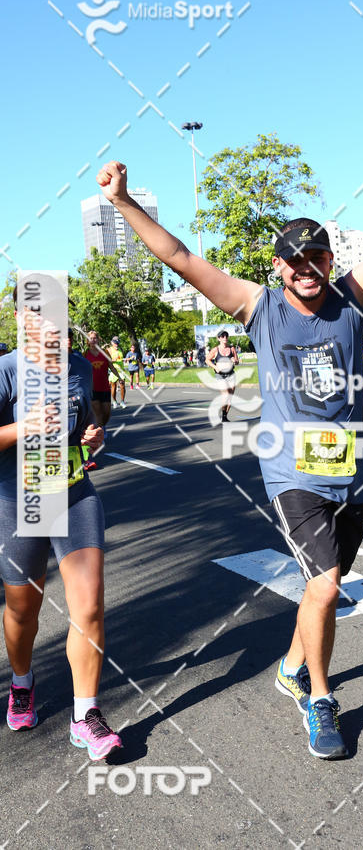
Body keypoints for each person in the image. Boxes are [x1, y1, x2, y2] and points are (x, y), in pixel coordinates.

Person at [96, 126, 363, 760]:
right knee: (328, 587)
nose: (307, 270)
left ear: (330, 261)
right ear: (279, 267)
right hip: (291, 474)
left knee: (319, 587)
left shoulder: (352, 302)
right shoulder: (259, 307)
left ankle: (290, 666)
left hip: (348, 475)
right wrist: (125, 203)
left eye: (317, 258)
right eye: (294, 261)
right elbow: (182, 259)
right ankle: (320, 701)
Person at [0, 283, 122, 758]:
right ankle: (23, 682)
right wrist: (22, 429)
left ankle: (85, 715)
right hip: (18, 500)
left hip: (72, 492)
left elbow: (87, 426)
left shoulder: (75, 366)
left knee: (88, 605)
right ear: (19, 318)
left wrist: (93, 436)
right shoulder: (7, 371)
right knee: (23, 611)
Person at [84, 330, 125, 469]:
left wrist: (119, 378)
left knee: (106, 413)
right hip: (92, 389)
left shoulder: (104, 353)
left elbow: (111, 366)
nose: (93, 340)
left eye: (95, 338)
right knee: (97, 412)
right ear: (88, 340)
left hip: (105, 388)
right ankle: (98, 434)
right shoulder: (85, 354)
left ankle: (102, 427)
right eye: (91, 338)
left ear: (98, 339)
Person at [207, 331, 239, 423]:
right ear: (219, 338)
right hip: (220, 375)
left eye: (226, 336)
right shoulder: (215, 350)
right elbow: (207, 360)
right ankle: (223, 414)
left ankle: (224, 416)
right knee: (225, 395)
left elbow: (237, 361)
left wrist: (235, 360)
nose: (225, 337)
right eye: (222, 336)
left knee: (230, 397)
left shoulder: (232, 349)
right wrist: (215, 367)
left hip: (231, 374)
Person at [107, 337, 127, 409]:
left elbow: (121, 358)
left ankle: (122, 402)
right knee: (113, 386)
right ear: (112, 342)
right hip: (113, 370)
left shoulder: (120, 349)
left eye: (118, 343)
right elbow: (107, 360)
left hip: (121, 370)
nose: (116, 344)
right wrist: (112, 360)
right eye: (115, 343)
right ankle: (115, 401)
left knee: (122, 385)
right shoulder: (109, 350)